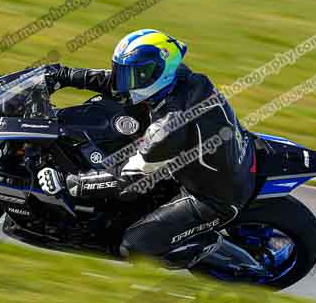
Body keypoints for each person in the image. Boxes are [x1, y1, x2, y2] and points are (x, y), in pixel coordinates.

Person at [38, 29, 256, 272]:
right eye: (124, 71)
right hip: (226, 156)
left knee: (135, 245)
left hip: (212, 198)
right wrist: (66, 75)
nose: (125, 79)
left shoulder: (168, 131)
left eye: (135, 74)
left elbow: (129, 182)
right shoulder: (182, 78)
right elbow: (116, 85)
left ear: (158, 73)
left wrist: (73, 183)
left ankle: (213, 250)